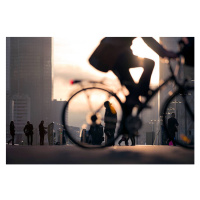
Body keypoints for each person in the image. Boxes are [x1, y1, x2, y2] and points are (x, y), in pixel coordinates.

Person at [89, 37, 178, 106]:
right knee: (149, 63)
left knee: (132, 97)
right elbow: (148, 39)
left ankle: (125, 126)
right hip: (114, 57)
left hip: (112, 58)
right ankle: (143, 91)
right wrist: (164, 53)